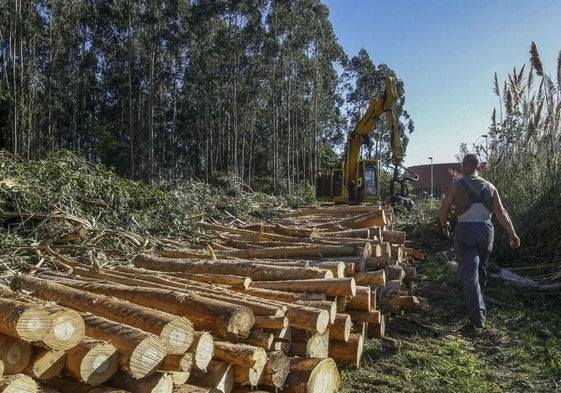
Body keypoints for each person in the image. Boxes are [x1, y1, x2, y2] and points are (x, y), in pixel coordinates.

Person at [439, 153, 520, 329]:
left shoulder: (455, 186)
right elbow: (501, 212)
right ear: (479, 167)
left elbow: (443, 210)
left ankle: (477, 317)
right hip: (485, 231)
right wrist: (512, 234)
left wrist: (444, 226)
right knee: (480, 268)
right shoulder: (490, 187)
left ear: (463, 166)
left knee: (470, 273)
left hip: (465, 231)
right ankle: (476, 300)